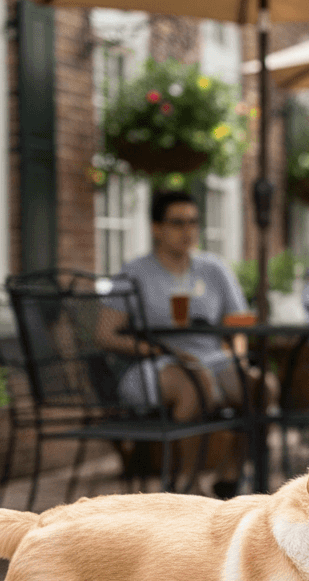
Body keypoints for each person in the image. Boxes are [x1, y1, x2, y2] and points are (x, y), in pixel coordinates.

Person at [104, 189, 254, 499]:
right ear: (156, 228)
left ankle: (230, 472)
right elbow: (105, 334)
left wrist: (238, 356)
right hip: (154, 365)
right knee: (191, 381)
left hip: (213, 360)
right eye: (177, 223)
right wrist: (158, 350)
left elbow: (239, 322)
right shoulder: (135, 272)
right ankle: (187, 483)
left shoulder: (214, 269)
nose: (187, 231)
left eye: (193, 222)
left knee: (259, 385)